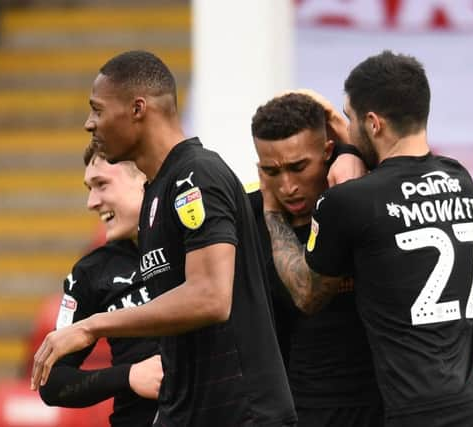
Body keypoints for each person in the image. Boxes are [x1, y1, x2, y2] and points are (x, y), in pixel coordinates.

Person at [31, 50, 297, 427]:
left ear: (138, 108)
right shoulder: (158, 193)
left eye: (97, 109)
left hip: (242, 415)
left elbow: (210, 298)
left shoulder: (197, 176)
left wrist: (93, 325)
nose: (90, 123)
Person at [261, 50, 473, 427]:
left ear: (373, 123)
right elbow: (396, 181)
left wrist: (272, 213)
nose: (346, 128)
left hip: (418, 415)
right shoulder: (461, 180)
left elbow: (307, 295)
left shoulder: (349, 201)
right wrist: (348, 148)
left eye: (349, 117)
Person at [249, 92, 383, 427]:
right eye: (272, 171)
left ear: (327, 152)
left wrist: (349, 143)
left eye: (298, 167)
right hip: (300, 410)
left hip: (380, 406)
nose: (288, 186)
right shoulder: (246, 216)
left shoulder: (366, 194)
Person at [38, 143, 162, 426]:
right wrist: (128, 376)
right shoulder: (91, 271)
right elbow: (52, 379)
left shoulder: (201, 245)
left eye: (101, 184)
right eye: (89, 189)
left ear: (144, 177)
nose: (91, 202)